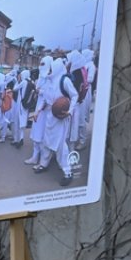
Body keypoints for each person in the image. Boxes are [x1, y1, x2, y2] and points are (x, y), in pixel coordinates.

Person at [32, 56, 79, 186]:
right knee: (46, 141)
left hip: (60, 117)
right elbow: (45, 100)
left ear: (57, 68)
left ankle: (68, 172)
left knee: (59, 146)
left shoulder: (64, 81)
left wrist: (70, 110)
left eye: (52, 68)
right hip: (49, 116)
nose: (49, 70)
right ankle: (43, 164)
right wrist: (37, 112)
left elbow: (75, 95)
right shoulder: (48, 81)